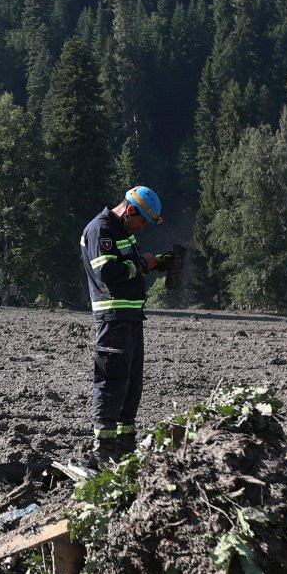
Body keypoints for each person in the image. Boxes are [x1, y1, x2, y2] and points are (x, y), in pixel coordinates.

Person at [80, 185, 171, 468]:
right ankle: (104, 450)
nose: (141, 229)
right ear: (130, 211)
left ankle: (125, 447)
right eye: (141, 221)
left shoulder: (123, 232)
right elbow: (107, 272)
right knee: (112, 382)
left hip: (130, 318)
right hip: (113, 318)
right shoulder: (100, 230)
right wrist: (141, 265)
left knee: (131, 384)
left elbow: (129, 265)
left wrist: (156, 264)